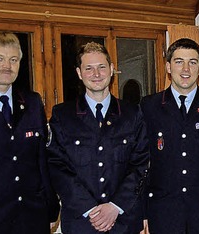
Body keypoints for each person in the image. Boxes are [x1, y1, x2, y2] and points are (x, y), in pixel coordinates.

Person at [46, 42, 149, 233]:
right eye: (89, 68)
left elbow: (141, 164)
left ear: (111, 70)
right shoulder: (62, 115)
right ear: (79, 73)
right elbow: (57, 166)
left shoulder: (132, 114)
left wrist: (114, 206)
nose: (96, 74)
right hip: (81, 222)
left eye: (102, 67)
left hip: (123, 221)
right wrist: (90, 209)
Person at [140, 38, 199, 234]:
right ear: (168, 66)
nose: (186, 69)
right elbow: (140, 164)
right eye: (178, 61)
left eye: (192, 62)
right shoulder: (149, 106)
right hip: (162, 213)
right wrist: (142, 213)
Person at [0, 31, 60, 233]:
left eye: (13, 59)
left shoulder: (32, 102)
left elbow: (41, 161)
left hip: (32, 219)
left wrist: (51, 209)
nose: (6, 66)